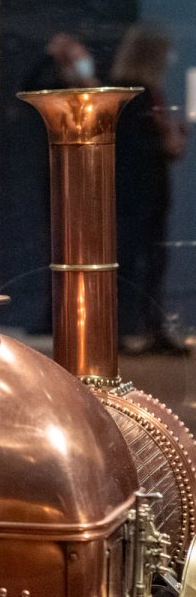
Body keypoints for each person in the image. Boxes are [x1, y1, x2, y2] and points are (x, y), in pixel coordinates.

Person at [111, 22, 188, 355]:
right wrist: (164, 142)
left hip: (150, 193)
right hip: (134, 195)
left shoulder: (146, 90)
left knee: (153, 261)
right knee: (129, 261)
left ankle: (150, 329)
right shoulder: (130, 91)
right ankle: (126, 331)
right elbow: (132, 148)